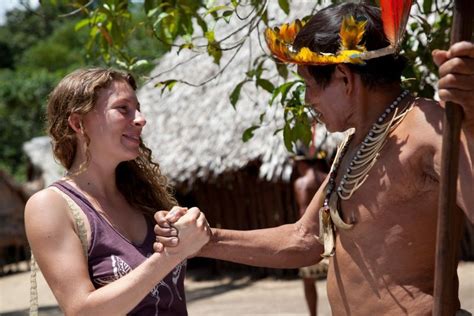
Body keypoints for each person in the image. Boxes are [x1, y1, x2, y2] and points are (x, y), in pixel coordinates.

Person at [154, 3, 474, 315]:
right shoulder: (355, 144)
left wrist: (471, 125)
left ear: (344, 78)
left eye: (309, 85)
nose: (308, 100)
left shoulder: (431, 127)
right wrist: (206, 241)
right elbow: (305, 239)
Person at [24, 68, 210, 315]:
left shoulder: (143, 198)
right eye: (123, 109)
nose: (141, 119)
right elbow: (81, 310)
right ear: (78, 123)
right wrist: (170, 256)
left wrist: (186, 228)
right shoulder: (51, 206)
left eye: (138, 108)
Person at [293, 147, 329, 316]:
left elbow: (303, 212)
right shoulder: (327, 179)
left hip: (311, 235)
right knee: (337, 278)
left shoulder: (301, 183)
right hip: (332, 234)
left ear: (302, 162)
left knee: (308, 280)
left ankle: (313, 314)